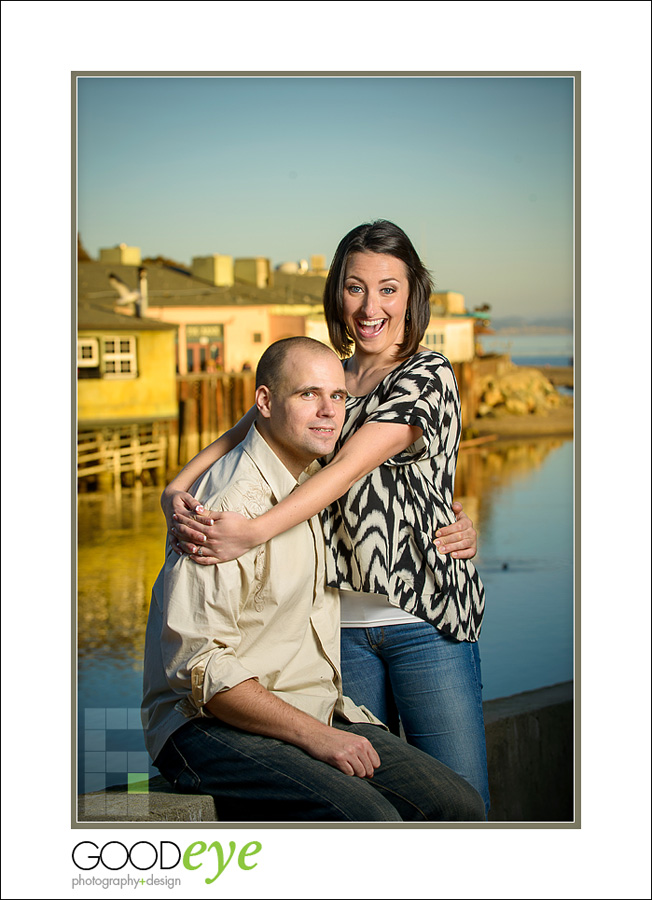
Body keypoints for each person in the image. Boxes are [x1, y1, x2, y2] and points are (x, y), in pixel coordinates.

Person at [164, 221, 490, 814]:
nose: (370, 306)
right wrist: (175, 490)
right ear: (336, 292)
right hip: (336, 626)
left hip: (420, 616)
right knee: (362, 796)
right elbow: (241, 432)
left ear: (412, 294)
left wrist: (256, 530)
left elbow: (348, 470)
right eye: (355, 287)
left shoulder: (427, 372)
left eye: (388, 289)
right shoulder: (327, 376)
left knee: (460, 806)